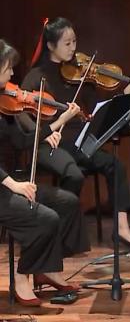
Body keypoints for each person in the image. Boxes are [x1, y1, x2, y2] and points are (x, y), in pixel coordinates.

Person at [20, 17, 130, 255]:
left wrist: (124, 96)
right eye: (67, 43)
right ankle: (61, 232)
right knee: (75, 175)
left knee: (115, 165)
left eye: (74, 41)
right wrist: (42, 134)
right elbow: (21, 114)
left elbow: (95, 113)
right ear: (50, 46)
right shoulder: (37, 76)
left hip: (77, 143)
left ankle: (122, 229)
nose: (73, 48)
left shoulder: (81, 75)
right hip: (49, 145)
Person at [0, 39, 90, 306]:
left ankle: (46, 269)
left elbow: (22, 141)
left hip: (6, 181)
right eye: (7, 69)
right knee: (46, 218)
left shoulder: (5, 104)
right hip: (3, 185)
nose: (13, 74)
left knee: (67, 203)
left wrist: (59, 121)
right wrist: (13, 185)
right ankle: (23, 275)